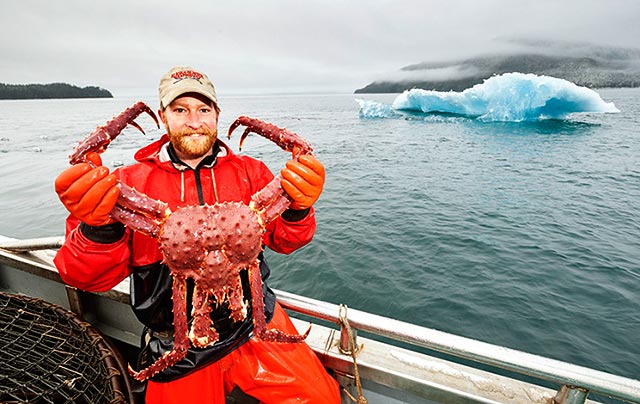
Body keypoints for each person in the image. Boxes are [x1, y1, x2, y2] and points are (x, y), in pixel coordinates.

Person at [53, 66, 341, 403]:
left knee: (322, 398)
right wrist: (98, 228)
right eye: (180, 110)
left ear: (217, 115)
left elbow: (288, 240)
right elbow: (84, 276)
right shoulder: (125, 186)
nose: (194, 120)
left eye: (204, 109)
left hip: (255, 321)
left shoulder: (251, 172)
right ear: (163, 117)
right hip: (179, 342)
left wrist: (299, 209)